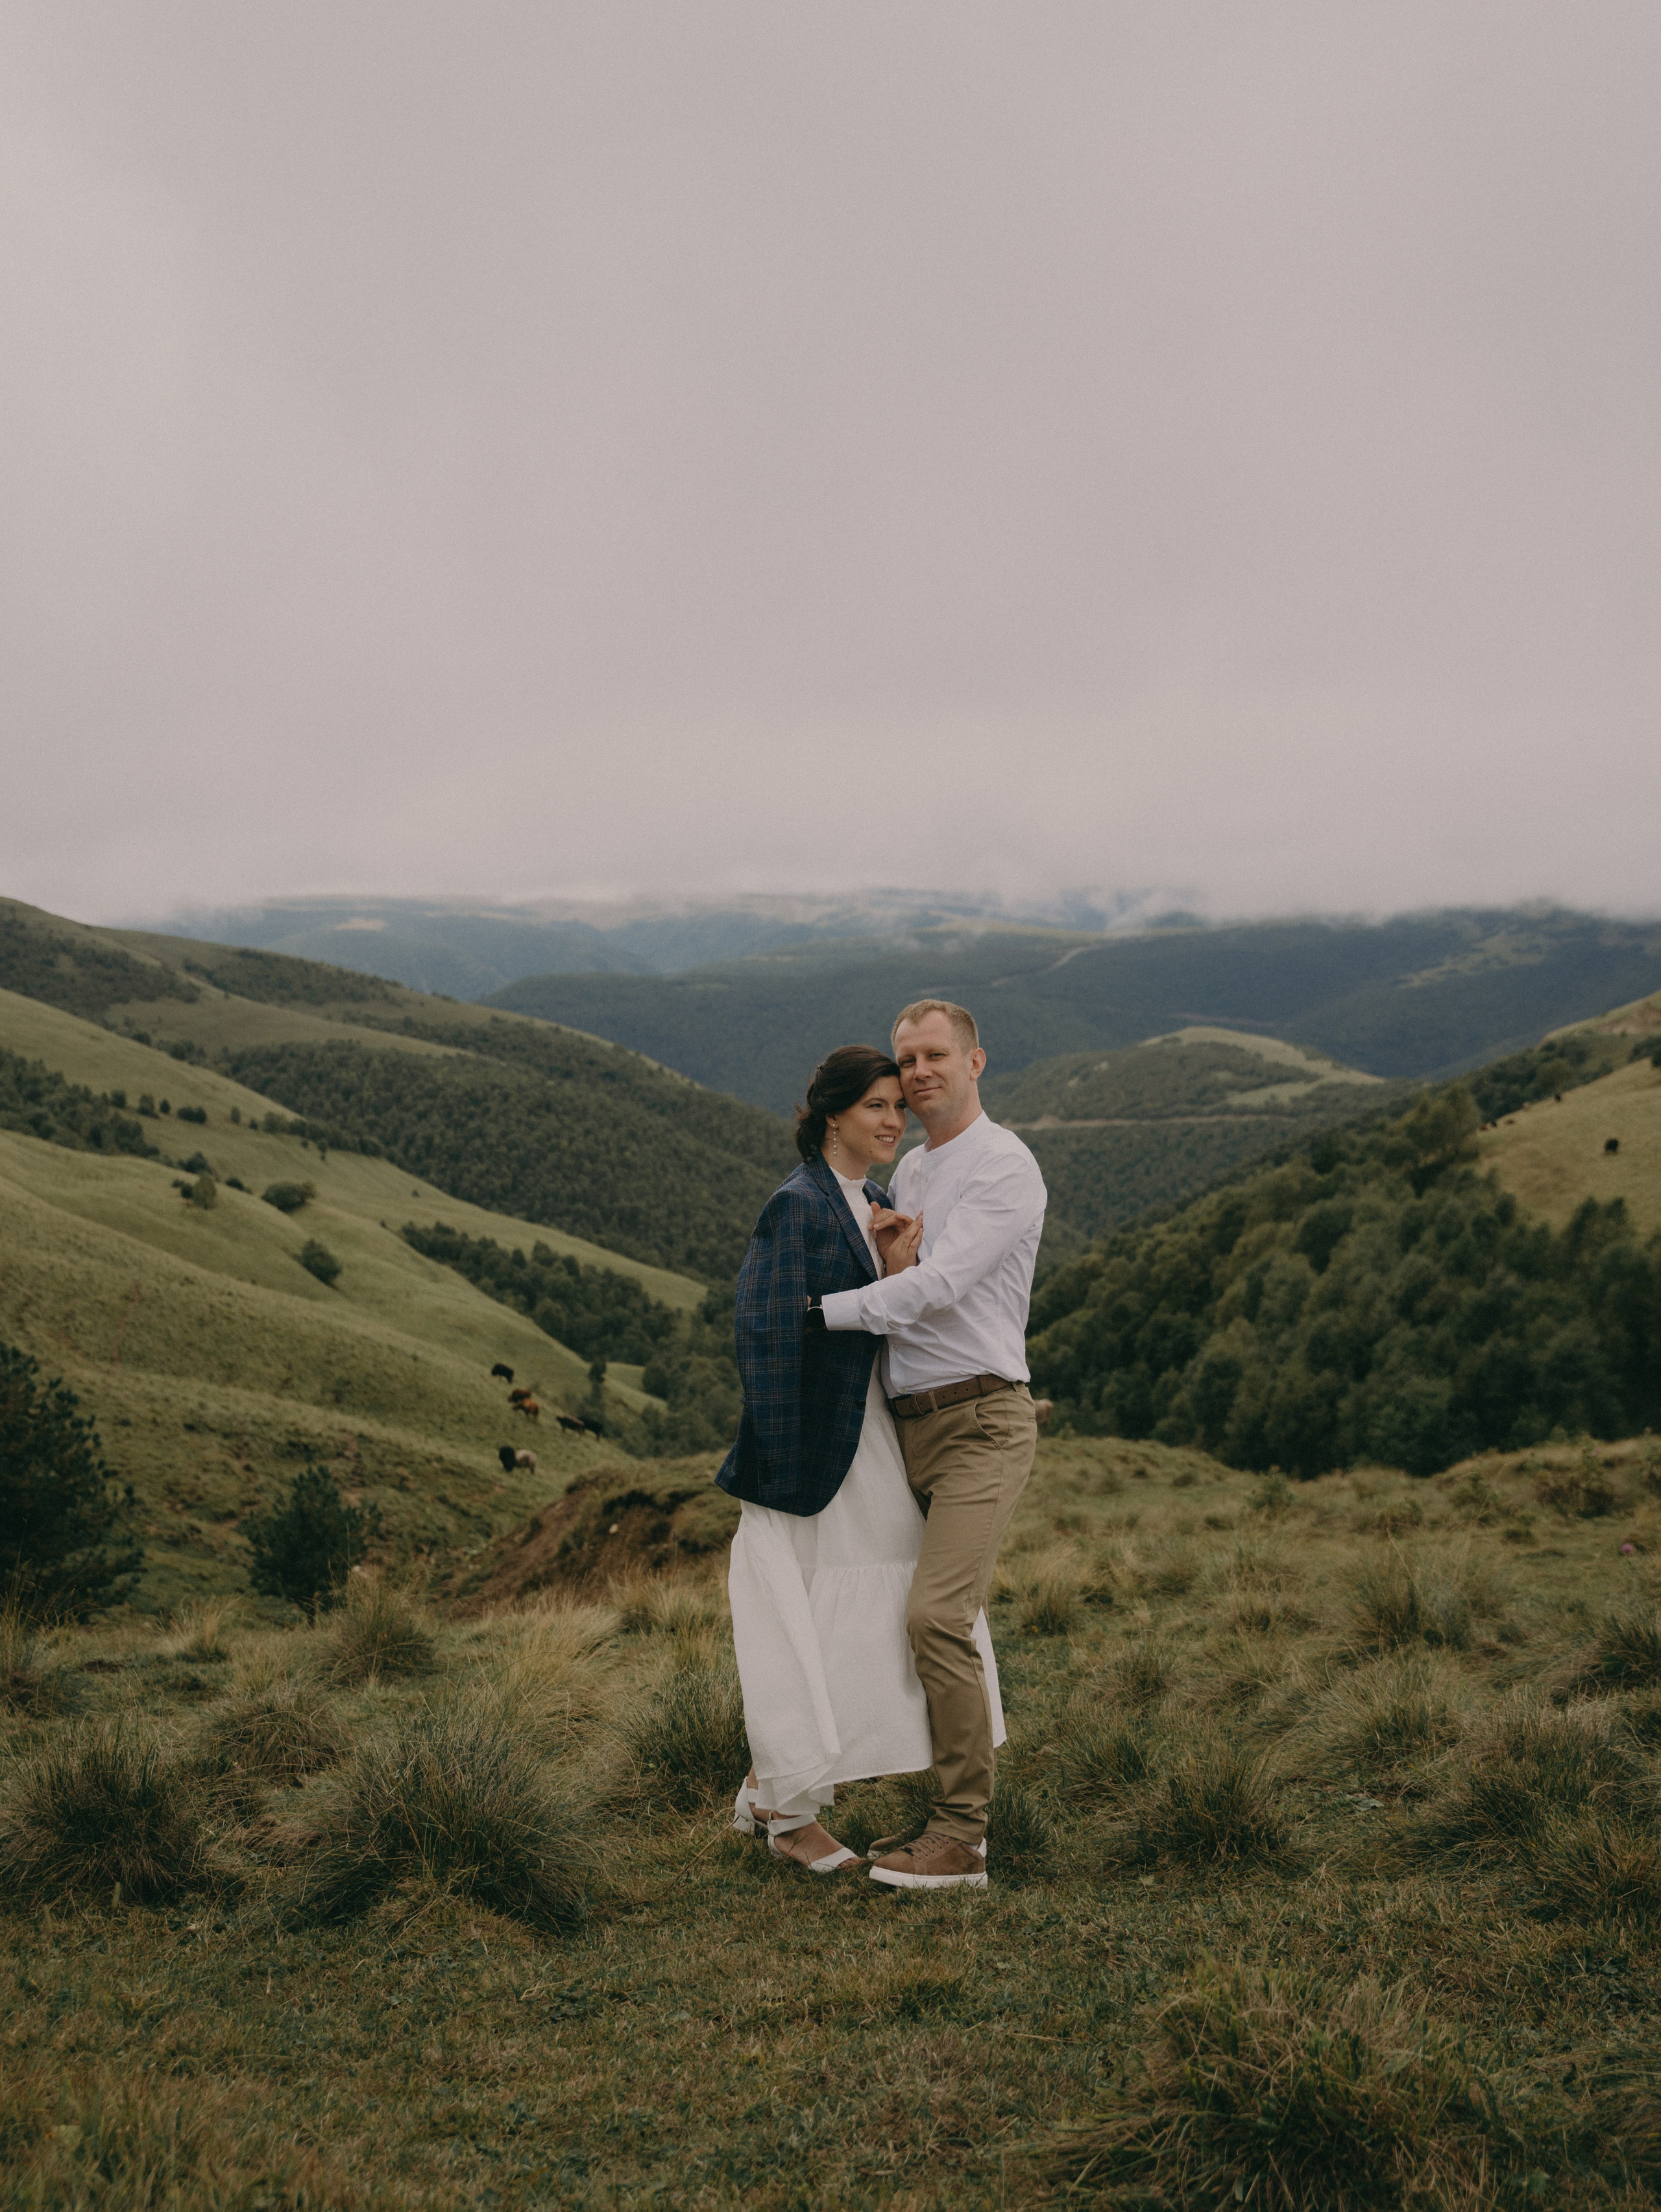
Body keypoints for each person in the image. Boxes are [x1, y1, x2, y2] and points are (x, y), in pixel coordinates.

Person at [716, 1044, 1007, 1873]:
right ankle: (789, 1813)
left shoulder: (872, 1199)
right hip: (811, 1450)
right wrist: (784, 1463)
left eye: (899, 1108)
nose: (893, 1121)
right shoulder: (797, 1205)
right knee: (812, 1612)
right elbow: (764, 1332)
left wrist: (895, 1267)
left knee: (872, 1612)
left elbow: (875, 1318)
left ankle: (767, 1786)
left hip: (869, 1435)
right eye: (877, 1106)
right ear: (832, 1115)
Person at [815, 999, 1046, 1890]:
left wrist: (821, 1313)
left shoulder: (1006, 1166)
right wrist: (889, 1261)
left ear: (976, 1060)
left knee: (936, 1616)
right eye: (906, 1058)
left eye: (935, 1054)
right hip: (904, 1423)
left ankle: (963, 1840)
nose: (917, 1072)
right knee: (876, 1604)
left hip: (983, 1422)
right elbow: (908, 1280)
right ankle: (797, 1777)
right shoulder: (909, 1170)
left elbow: (942, 1290)